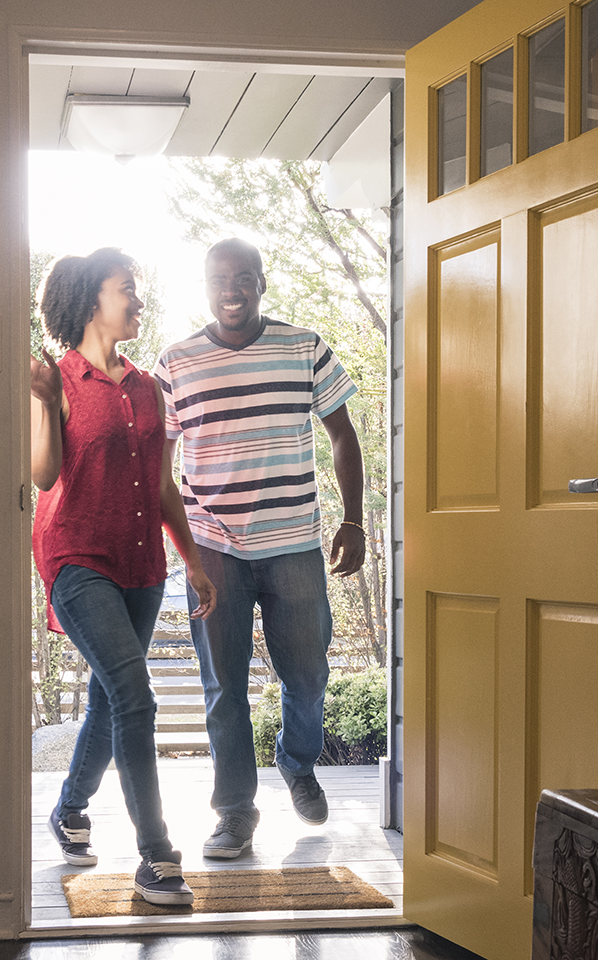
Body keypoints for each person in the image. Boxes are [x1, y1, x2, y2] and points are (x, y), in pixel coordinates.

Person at [155, 237, 366, 860]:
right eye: (220, 279)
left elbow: (343, 436)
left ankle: (297, 762)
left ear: (261, 282)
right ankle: (234, 813)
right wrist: (183, 552)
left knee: (307, 673)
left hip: (294, 542)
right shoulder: (177, 362)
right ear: (205, 285)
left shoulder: (304, 347)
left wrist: (353, 521)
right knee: (224, 687)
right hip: (214, 548)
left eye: (244, 277)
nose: (232, 289)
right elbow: (160, 471)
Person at [30, 247, 216, 905]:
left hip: (141, 563)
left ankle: (70, 808)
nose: (137, 300)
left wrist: (192, 562)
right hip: (77, 559)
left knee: (113, 697)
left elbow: (163, 487)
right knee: (137, 698)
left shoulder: (147, 388)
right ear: (90, 301)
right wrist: (45, 402)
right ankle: (157, 857)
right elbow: (45, 475)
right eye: (125, 289)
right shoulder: (55, 379)